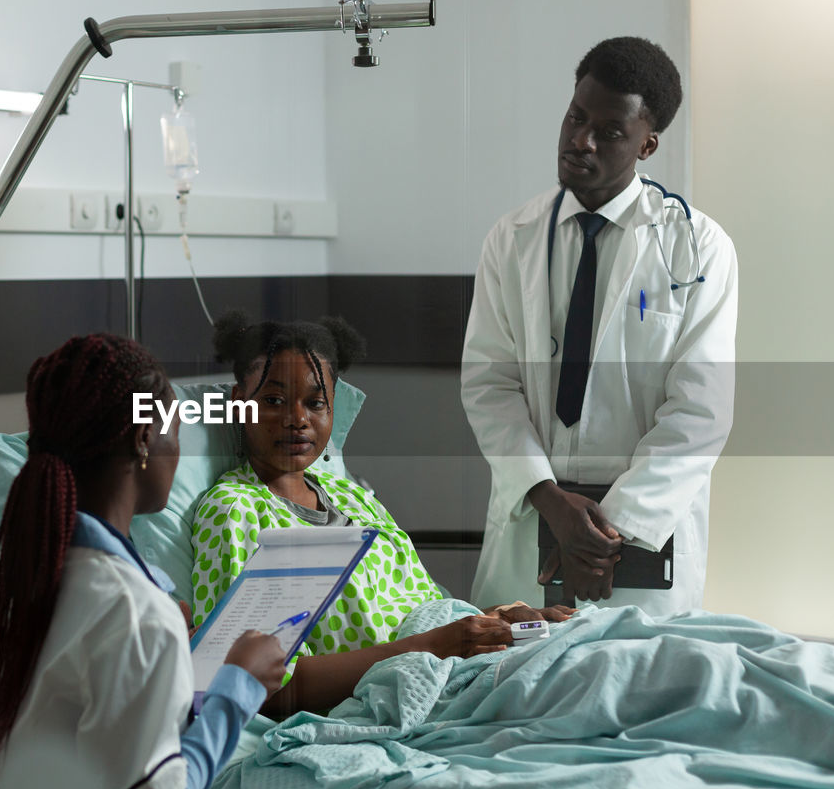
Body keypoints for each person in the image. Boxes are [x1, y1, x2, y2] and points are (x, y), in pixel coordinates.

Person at [0, 334, 287, 789]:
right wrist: (238, 689)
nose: (180, 448)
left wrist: (167, 669)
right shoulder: (135, 612)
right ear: (144, 438)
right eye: (176, 430)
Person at [461, 36, 738, 616]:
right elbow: (490, 384)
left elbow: (700, 413)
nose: (580, 141)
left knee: (636, 695)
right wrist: (550, 501)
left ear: (647, 143)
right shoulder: (511, 239)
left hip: (638, 542)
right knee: (509, 692)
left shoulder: (697, 247)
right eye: (574, 118)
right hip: (531, 521)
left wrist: (603, 535)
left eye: (610, 131)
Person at [191, 312, 572, 716]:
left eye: (315, 403)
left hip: (455, 662)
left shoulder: (353, 497)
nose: (297, 419)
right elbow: (260, 687)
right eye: (273, 400)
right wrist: (436, 646)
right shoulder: (235, 510)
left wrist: (497, 621)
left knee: (599, 640)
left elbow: (419, 608)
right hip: (413, 687)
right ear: (237, 404)